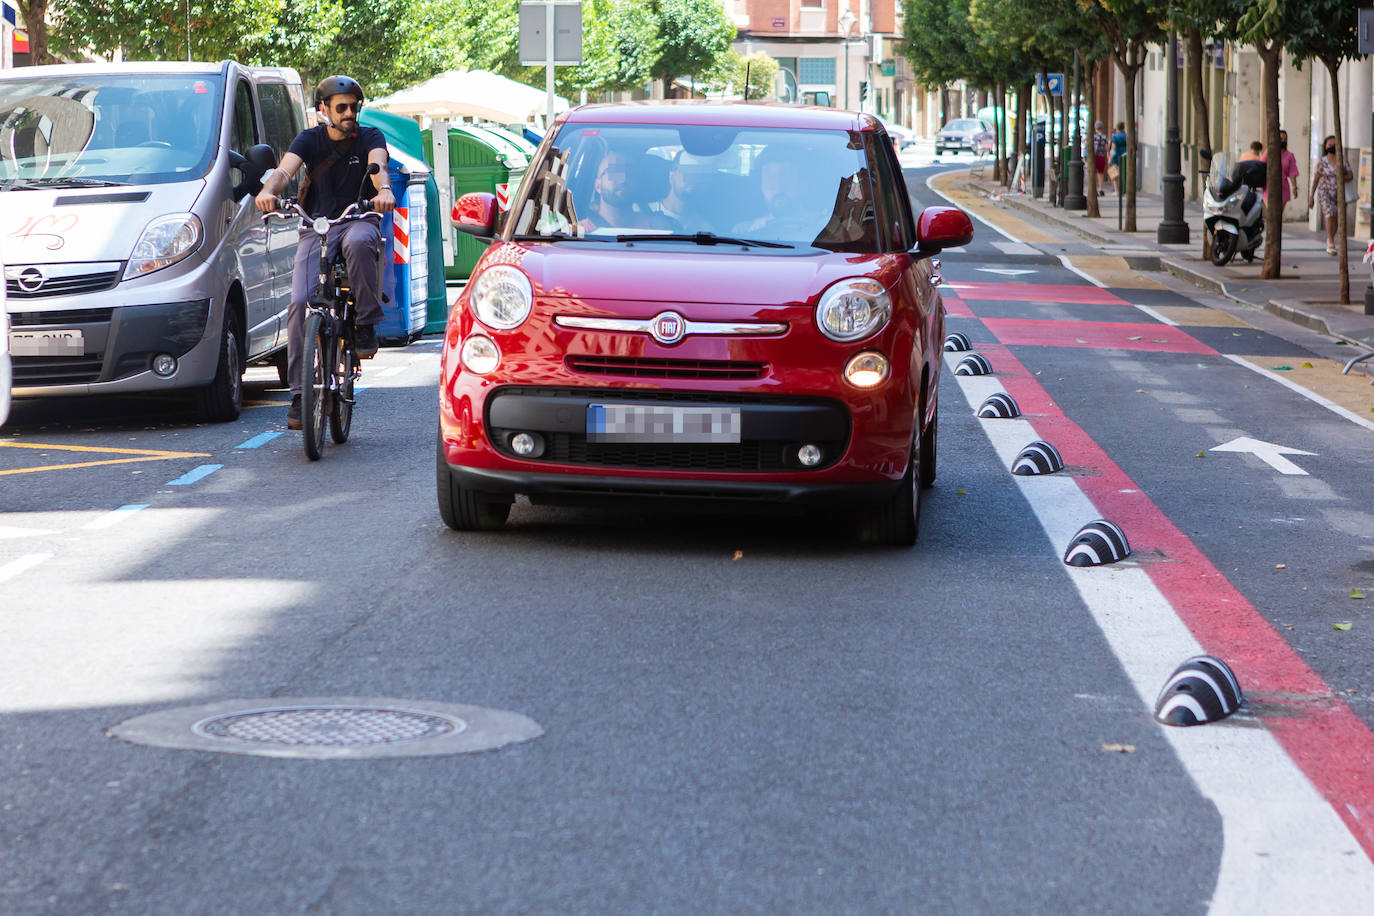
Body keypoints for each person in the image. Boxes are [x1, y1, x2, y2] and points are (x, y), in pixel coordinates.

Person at [255, 75, 394, 430]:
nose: (349, 114)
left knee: (360, 242)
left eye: (353, 107)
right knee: (300, 303)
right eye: (341, 108)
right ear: (323, 110)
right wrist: (268, 191)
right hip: (317, 225)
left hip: (358, 217)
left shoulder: (370, 137)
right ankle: (301, 395)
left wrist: (385, 191)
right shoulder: (309, 139)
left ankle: (364, 323)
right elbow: (284, 170)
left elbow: (378, 167)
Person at [578, 150, 670, 231]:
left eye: (630, 173)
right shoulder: (578, 234)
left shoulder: (658, 228)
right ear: (598, 186)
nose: (623, 180)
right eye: (614, 172)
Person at [1309, 135, 1354, 256]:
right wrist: (1311, 196)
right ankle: (1330, 241)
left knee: (1337, 217)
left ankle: (1331, 238)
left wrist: (1341, 178)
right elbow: (1316, 179)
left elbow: (1351, 175)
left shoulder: (1342, 160)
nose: (1332, 146)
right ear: (1325, 146)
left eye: (1334, 144)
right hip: (1325, 192)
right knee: (1329, 214)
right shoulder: (1321, 162)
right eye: (1329, 144)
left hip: (1339, 193)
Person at [1108, 122, 1127, 193]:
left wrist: (1110, 158)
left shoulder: (1115, 136)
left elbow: (1113, 148)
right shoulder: (1127, 135)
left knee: (1114, 173)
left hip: (1116, 156)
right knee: (1124, 172)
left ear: (1117, 128)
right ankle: (1124, 189)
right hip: (1125, 156)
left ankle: (1116, 190)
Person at [1091, 121, 1108, 196]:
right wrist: (1108, 156)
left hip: (1093, 157)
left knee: (1093, 173)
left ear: (1095, 127)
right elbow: (1106, 148)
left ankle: (1093, 189)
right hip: (1101, 156)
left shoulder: (1093, 136)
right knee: (1100, 173)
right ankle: (1100, 188)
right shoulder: (1104, 137)